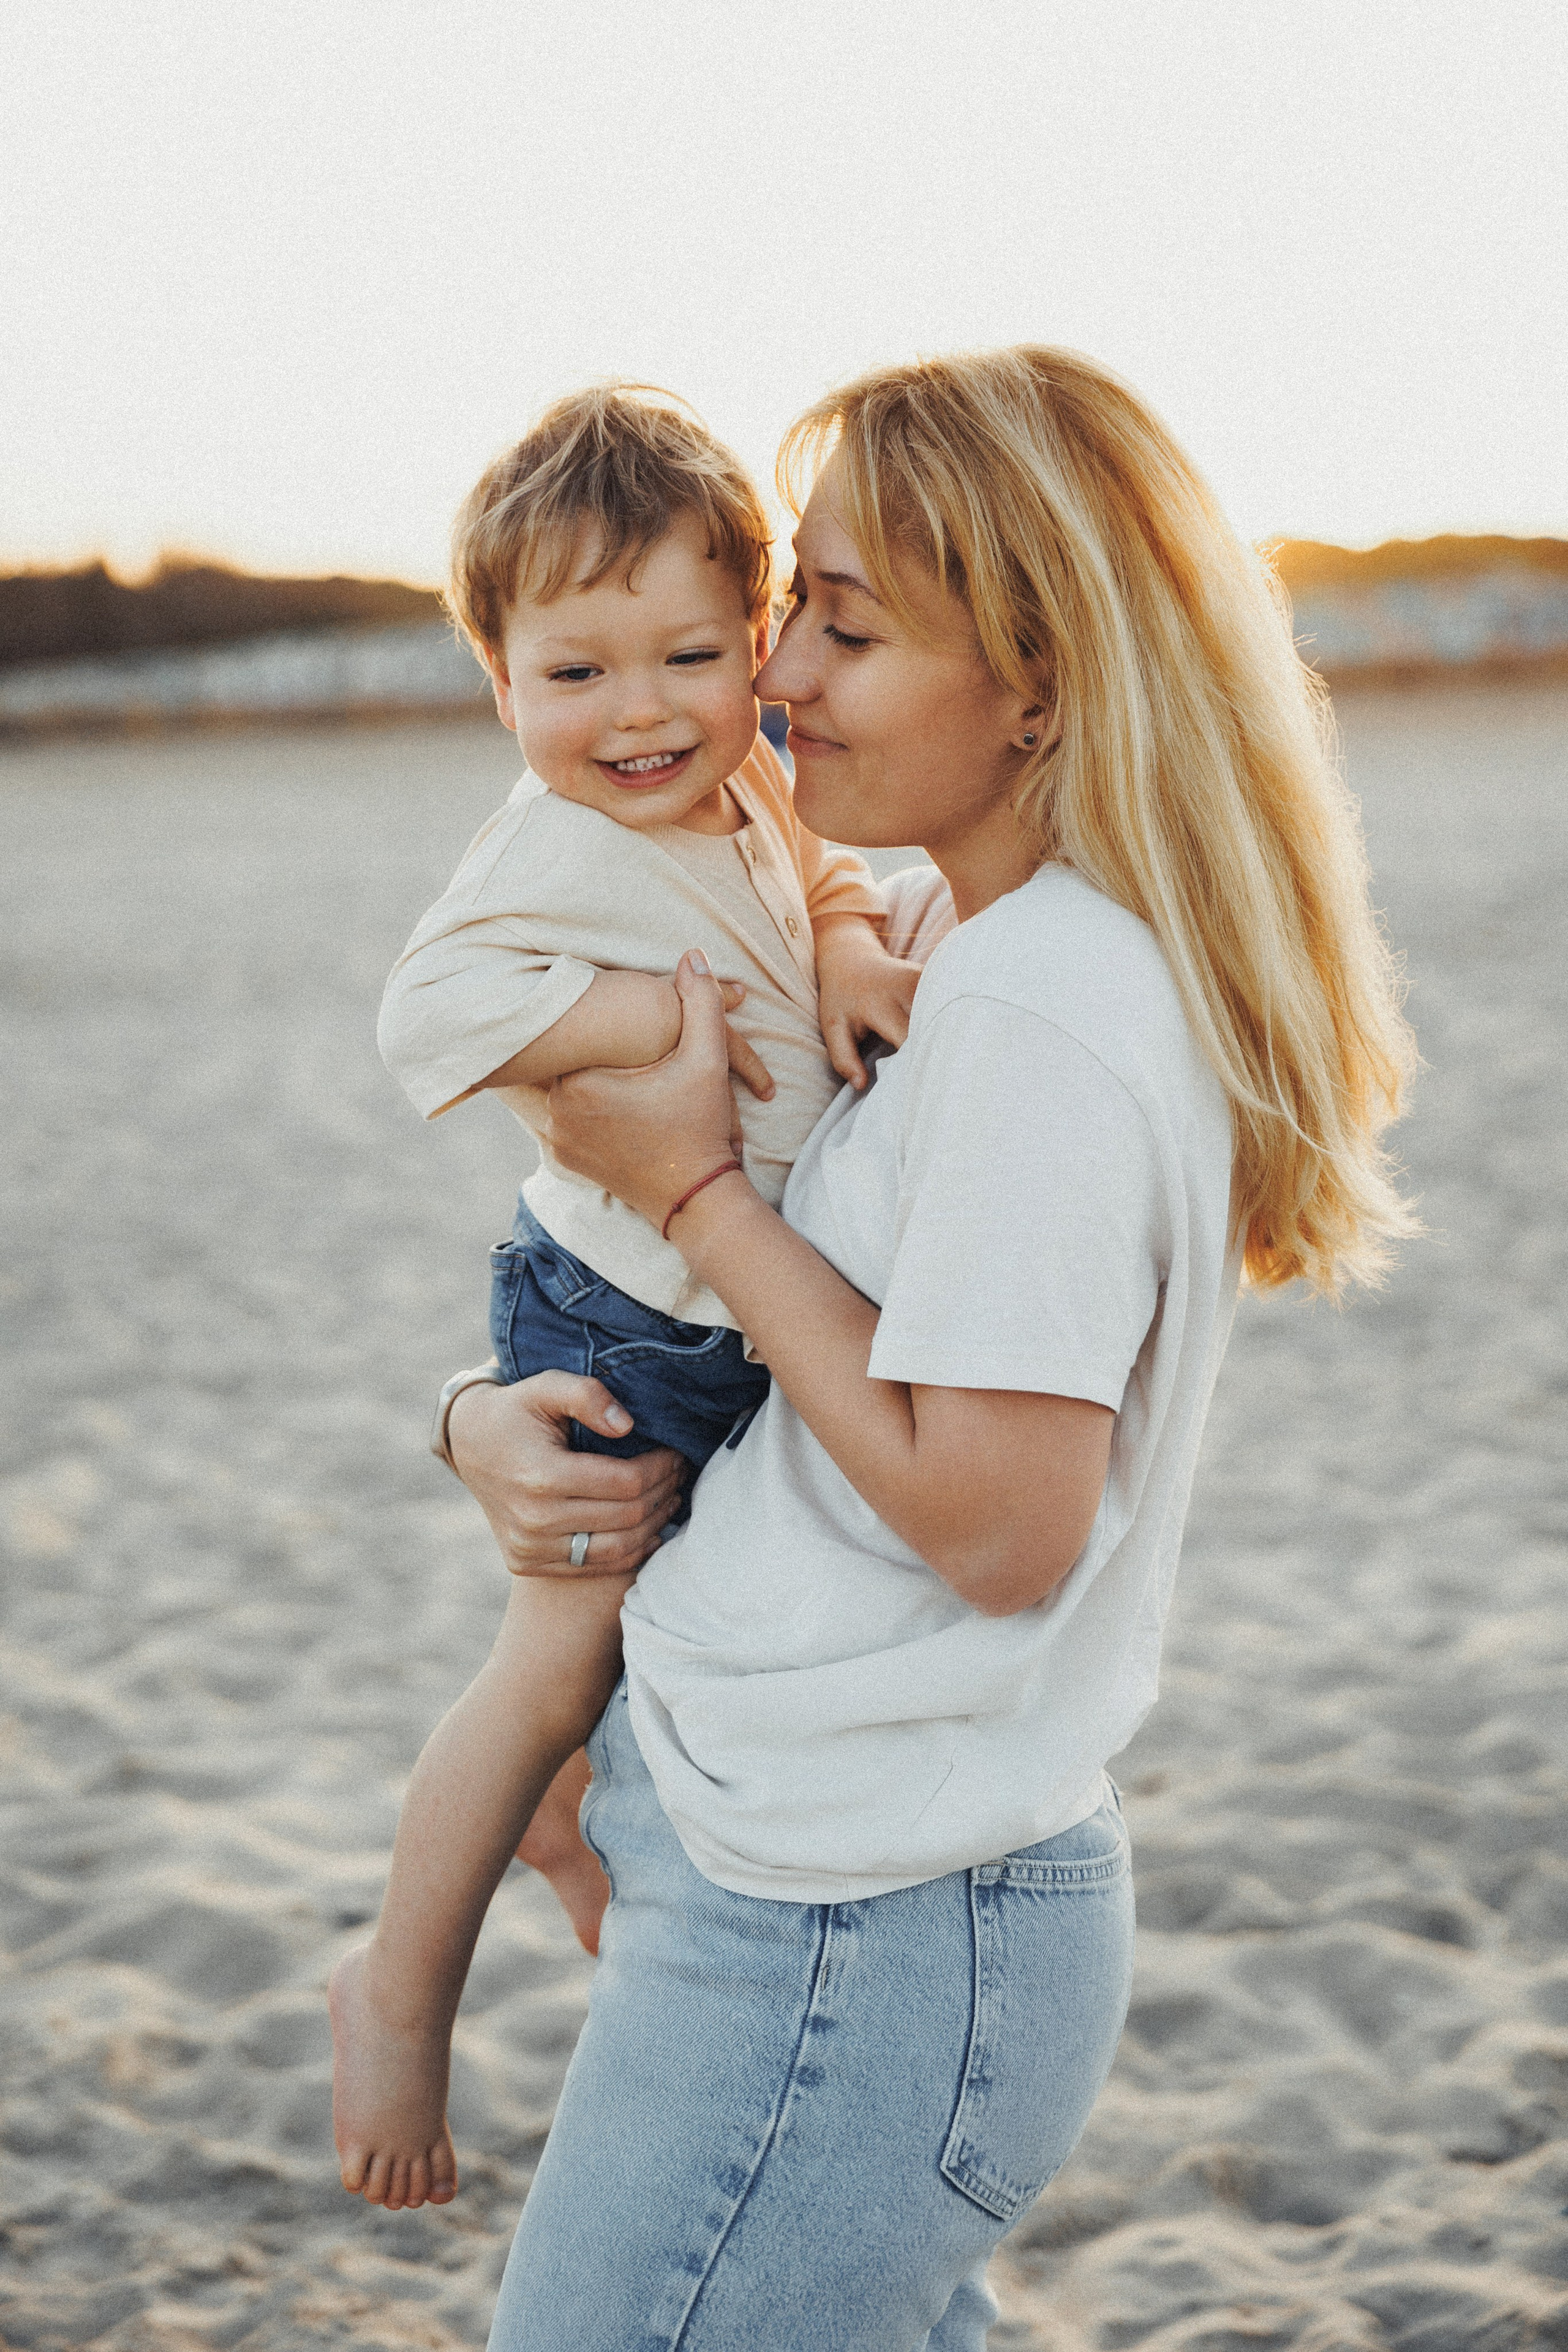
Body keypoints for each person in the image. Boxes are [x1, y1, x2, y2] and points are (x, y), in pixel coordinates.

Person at [443, 345, 1418, 2351]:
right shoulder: (954, 934)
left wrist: (705, 1188)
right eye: (798, 602)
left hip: (861, 1927)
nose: (777, 674)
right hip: (825, 1882)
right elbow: (734, 1323)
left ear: (1046, 682)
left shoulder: (1049, 1010)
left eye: (848, 626)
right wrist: (478, 1415)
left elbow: (997, 1523)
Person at [329, 386, 921, 2213]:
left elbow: (815, 869)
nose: (644, 713)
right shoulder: (541, 853)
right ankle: (397, 1998)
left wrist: (830, 945)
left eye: (687, 654)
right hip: (616, 1323)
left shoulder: (746, 781)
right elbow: (419, 1019)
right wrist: (649, 1030)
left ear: (757, 643)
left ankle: (576, 1831)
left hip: (720, 1308)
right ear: (495, 676)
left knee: (639, 1669)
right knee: (550, 1658)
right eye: (575, 674)